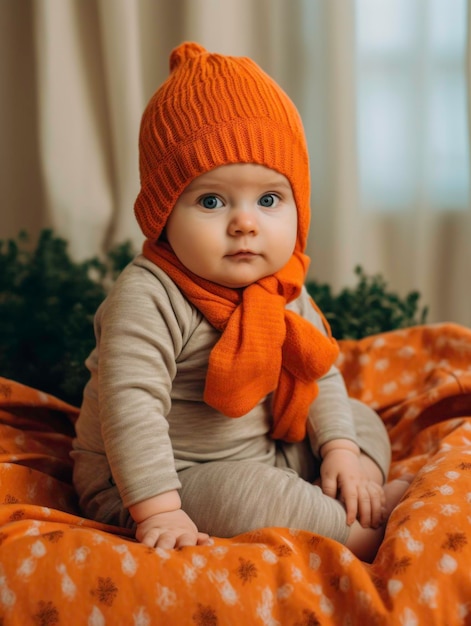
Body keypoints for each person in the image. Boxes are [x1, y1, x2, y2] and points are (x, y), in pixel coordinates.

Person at [72, 42, 410, 562]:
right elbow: (129, 406)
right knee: (247, 498)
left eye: (269, 199)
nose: (245, 222)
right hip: (167, 478)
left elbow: (319, 375)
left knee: (358, 419)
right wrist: (159, 510)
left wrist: (342, 450)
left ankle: (353, 480)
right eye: (211, 201)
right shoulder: (148, 296)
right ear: (162, 215)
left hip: (269, 447)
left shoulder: (280, 285)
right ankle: (361, 533)